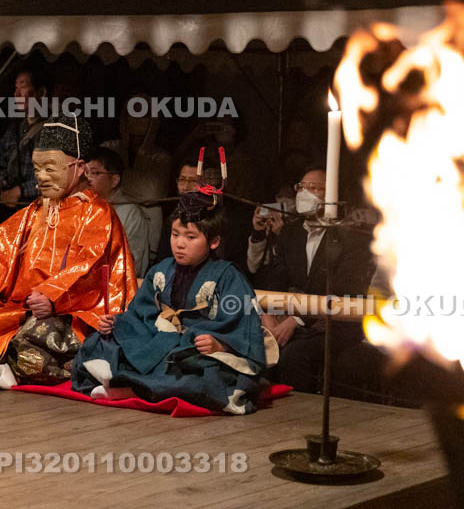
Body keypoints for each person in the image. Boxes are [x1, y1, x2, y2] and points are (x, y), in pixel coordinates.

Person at [0, 115, 139, 391]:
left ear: (79, 167)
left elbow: (91, 274)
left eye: (50, 168)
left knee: (34, 343)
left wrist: (54, 300)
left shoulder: (98, 215)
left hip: (74, 317)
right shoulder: (36, 210)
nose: (41, 177)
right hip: (19, 310)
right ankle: (1, 363)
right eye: (37, 169)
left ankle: (1, 363)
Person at [72, 188, 275, 414]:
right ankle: (137, 385)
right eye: (175, 234)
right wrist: (116, 323)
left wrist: (221, 344)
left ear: (214, 241)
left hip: (192, 351)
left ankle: (131, 388)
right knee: (98, 341)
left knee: (206, 373)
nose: (179, 243)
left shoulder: (228, 276)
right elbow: (140, 313)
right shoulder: (161, 270)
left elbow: (245, 326)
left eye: (190, 237)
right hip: (160, 340)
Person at [249, 168, 374, 393]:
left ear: (332, 196)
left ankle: (300, 417)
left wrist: (296, 319)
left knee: (294, 356)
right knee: (258, 345)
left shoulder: (349, 236)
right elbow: (276, 277)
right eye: (302, 187)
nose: (305, 193)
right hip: (291, 315)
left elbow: (343, 288)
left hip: (334, 322)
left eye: (314, 188)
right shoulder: (291, 231)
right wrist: (267, 316)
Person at [100, 94, 172, 264]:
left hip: (148, 230)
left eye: (144, 114)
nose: (138, 118)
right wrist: (139, 188)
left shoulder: (161, 157)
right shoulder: (108, 148)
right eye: (133, 111)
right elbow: (98, 185)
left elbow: (153, 193)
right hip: (109, 220)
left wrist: (117, 184)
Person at [85, 148, 151, 278]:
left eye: (95, 173)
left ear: (114, 180)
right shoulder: (83, 205)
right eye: (86, 173)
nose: (88, 178)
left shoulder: (130, 213)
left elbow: (134, 265)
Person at [0, 68, 47, 218]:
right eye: (16, 88)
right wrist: (1, 187)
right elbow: (0, 166)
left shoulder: (54, 130)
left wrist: (21, 190)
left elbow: (54, 176)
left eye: (22, 87)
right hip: (11, 211)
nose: (17, 94)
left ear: (40, 92)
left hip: (38, 210)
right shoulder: (14, 128)